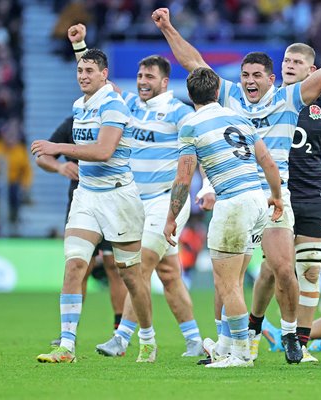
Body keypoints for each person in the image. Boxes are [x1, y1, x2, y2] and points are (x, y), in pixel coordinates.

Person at [152, 6, 321, 364]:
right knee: (230, 272)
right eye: (245, 75)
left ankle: (290, 335)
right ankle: (227, 343)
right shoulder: (231, 97)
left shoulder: (290, 98)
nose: (249, 81)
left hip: (276, 195)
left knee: (283, 267)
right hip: (237, 192)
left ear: (271, 80)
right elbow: (194, 63)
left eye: (257, 75)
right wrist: (168, 28)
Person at [65, 24, 205, 358]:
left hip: (165, 202)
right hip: (133, 201)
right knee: (169, 275)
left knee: (138, 266)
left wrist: (208, 188)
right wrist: (80, 44)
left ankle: (123, 337)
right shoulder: (125, 104)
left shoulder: (180, 113)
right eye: (140, 76)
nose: (142, 82)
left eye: (149, 77)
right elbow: (98, 79)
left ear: (164, 82)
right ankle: (195, 340)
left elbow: (197, 155)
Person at [32, 48, 155, 363]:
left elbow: (104, 151)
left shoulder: (114, 105)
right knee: (75, 264)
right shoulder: (78, 106)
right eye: (80, 71)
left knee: (129, 275)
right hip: (86, 195)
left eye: (90, 71)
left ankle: (147, 338)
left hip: (118, 197)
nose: (83, 76)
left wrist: (58, 147)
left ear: (104, 75)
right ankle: (67, 346)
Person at [163, 67, 283, 368]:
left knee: (226, 284)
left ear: (191, 96)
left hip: (233, 204)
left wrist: (170, 218)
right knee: (236, 278)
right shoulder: (240, 118)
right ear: (217, 92)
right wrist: (277, 196)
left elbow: (183, 178)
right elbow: (267, 161)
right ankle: (226, 346)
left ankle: (241, 354)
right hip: (257, 199)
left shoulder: (190, 125)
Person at [248, 42, 321, 363]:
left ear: (312, 71)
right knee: (272, 269)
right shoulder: (267, 100)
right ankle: (254, 330)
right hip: (276, 194)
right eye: (286, 60)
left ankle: (300, 343)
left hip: (311, 195)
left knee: (309, 270)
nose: (289, 65)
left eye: (297, 62)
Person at [35, 115, 127, 336]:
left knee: (113, 266)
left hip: (113, 202)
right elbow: (42, 156)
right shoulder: (73, 122)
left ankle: (119, 333)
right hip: (80, 203)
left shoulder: (115, 122)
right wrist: (59, 166)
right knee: (79, 266)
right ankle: (68, 333)